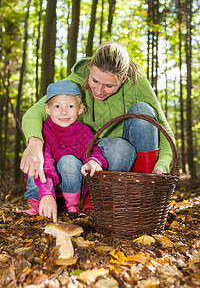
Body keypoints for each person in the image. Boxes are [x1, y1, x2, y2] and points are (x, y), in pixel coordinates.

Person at [20, 41, 174, 210]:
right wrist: (35, 142)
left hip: (121, 156)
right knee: (116, 148)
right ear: (90, 67)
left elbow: (163, 129)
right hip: (85, 154)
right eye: (95, 80)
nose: (99, 90)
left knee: (142, 112)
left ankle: (145, 199)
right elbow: (34, 112)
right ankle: (92, 198)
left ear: (123, 79)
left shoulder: (137, 81)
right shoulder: (78, 80)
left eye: (109, 85)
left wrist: (162, 165)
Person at [20, 80, 107, 222]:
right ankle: (40, 206)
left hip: (70, 189)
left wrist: (93, 161)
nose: (64, 112)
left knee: (69, 160)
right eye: (57, 106)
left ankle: (71, 207)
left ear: (80, 109)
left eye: (71, 106)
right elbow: (45, 164)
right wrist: (47, 194)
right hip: (43, 189)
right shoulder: (44, 131)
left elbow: (94, 151)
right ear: (47, 109)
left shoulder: (84, 132)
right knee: (36, 164)